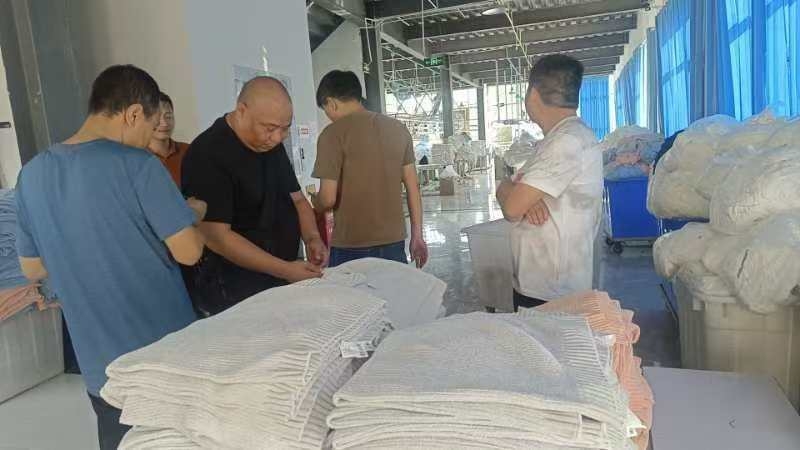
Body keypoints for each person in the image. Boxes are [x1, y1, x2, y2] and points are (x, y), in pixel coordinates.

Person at [15, 65, 207, 450]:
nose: (149, 139)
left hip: (98, 366)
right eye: (150, 126)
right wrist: (192, 212)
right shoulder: (138, 166)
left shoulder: (31, 175)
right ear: (133, 114)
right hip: (163, 357)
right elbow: (190, 252)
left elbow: (32, 267)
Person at [182, 76, 328, 316]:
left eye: (285, 128)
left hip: (279, 279)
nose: (278, 137)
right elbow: (217, 237)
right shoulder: (208, 153)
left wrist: (312, 238)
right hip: (234, 292)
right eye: (269, 128)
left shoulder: (271, 146)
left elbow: (298, 199)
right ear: (242, 111)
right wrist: (285, 270)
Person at [495, 55, 603, 311]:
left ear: (532, 94)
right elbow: (506, 187)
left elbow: (511, 207)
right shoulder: (562, 137)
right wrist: (520, 195)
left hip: (550, 289)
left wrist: (517, 195)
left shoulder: (565, 142)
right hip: (547, 282)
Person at [312, 70, 428, 268]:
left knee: (352, 290)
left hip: (350, 245)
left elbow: (328, 198)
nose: (328, 116)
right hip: (393, 242)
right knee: (391, 288)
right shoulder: (398, 129)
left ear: (331, 103)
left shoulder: (331, 135)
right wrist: (417, 235)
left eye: (325, 110)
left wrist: (316, 203)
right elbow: (413, 187)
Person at [147, 92, 190, 186]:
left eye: (168, 116)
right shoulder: (136, 157)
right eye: (157, 117)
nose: (164, 123)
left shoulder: (189, 150)